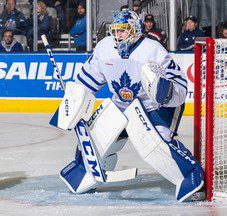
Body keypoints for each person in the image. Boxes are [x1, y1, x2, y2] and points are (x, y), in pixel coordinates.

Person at [58, 10, 205, 202]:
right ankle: (84, 172)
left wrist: (165, 91)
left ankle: (191, 177)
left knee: (157, 144)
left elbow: (180, 85)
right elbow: (87, 81)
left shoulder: (153, 49)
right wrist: (74, 100)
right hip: (121, 104)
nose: (118, 35)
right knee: (93, 139)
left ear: (135, 30)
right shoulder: (105, 48)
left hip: (156, 107)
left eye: (123, 31)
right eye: (115, 31)